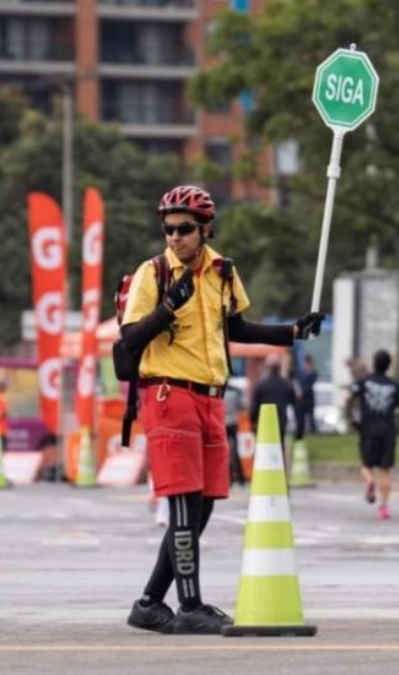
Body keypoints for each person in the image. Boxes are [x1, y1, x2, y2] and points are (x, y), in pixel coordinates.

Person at [122, 184, 323, 635]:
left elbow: (237, 327)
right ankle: (189, 605)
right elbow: (130, 339)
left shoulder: (223, 272)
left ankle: (150, 603)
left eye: (185, 229)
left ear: (205, 229)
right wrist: (167, 308)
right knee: (181, 504)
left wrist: (293, 331)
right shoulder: (151, 274)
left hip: (211, 397)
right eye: (168, 229)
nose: (175, 237)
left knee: (204, 505)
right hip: (168, 395)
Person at [346, 349, 399, 520]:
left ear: (373, 363)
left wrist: (351, 418)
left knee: (366, 465)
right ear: (389, 365)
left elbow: (351, 396)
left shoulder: (364, 381)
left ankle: (370, 480)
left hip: (368, 429)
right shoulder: (394, 385)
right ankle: (384, 507)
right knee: (385, 470)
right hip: (388, 430)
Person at [251, 352, 296, 459]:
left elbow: (254, 406)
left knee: (265, 448)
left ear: (267, 367)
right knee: (279, 446)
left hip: (264, 422)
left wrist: (253, 421)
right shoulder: (286, 384)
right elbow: (293, 401)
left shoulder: (262, 385)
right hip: (281, 420)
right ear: (279, 367)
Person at [294, 355, 318, 440]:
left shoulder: (313, 372)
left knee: (311, 415)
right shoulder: (300, 372)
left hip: (309, 396)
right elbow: (297, 381)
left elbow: (311, 384)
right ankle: (301, 431)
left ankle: (313, 431)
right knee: (301, 416)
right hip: (301, 398)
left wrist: (302, 391)